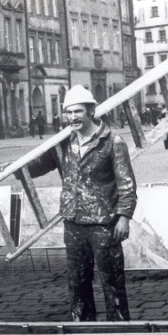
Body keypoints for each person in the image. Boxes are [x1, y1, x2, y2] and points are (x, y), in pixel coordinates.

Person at [22, 84, 137, 321]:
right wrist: (13, 170)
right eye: (68, 112)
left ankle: (120, 332)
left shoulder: (112, 142)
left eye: (78, 112)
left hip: (103, 223)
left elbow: (126, 184)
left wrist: (124, 217)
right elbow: (39, 166)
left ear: (91, 111)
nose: (72, 117)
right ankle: (83, 329)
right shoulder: (63, 144)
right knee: (77, 282)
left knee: (112, 282)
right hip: (73, 222)